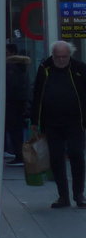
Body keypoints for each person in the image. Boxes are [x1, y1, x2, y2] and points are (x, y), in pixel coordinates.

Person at [30, 40, 86, 209]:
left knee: (76, 154)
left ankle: (79, 194)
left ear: (70, 55)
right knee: (56, 158)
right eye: (58, 56)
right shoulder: (44, 68)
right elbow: (37, 94)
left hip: (75, 122)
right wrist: (34, 121)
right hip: (52, 122)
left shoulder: (80, 68)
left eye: (64, 56)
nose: (61, 60)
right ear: (52, 55)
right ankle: (63, 196)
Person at [4, 43, 30, 166]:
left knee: (14, 130)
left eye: (6, 53)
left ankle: (19, 156)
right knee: (16, 130)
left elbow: (11, 86)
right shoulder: (21, 67)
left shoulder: (11, 67)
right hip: (18, 102)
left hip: (12, 102)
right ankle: (17, 154)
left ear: (12, 53)